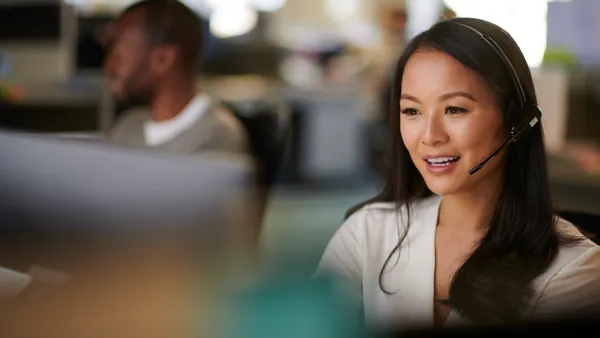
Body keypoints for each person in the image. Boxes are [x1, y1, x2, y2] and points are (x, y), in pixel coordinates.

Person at [316, 17, 600, 330]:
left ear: (517, 121)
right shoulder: (367, 233)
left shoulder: (576, 268)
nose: (429, 136)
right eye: (412, 111)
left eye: (455, 109)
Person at [103, 0, 249, 155]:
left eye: (119, 54)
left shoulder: (217, 139)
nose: (108, 65)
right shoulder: (128, 127)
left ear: (163, 59)